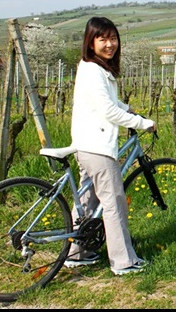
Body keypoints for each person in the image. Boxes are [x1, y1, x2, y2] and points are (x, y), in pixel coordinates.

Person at [64, 16, 156, 275]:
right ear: (90, 42)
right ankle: (124, 261)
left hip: (85, 144)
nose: (109, 44)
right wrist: (143, 123)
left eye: (113, 38)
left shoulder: (91, 67)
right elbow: (108, 111)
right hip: (97, 147)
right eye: (102, 38)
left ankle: (77, 253)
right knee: (114, 204)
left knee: (87, 201)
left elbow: (109, 102)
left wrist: (130, 110)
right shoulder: (94, 71)